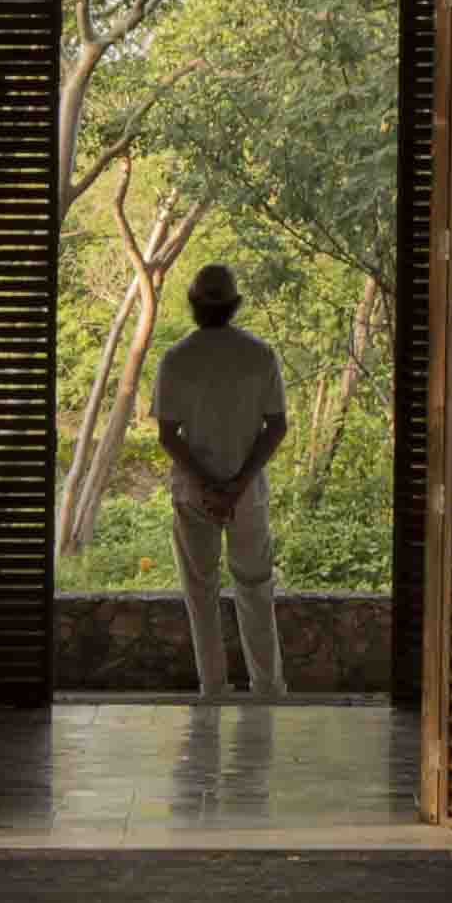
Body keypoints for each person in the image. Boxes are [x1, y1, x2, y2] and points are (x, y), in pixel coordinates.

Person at [150, 260, 295, 701]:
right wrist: (235, 485)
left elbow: (167, 436)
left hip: (194, 495)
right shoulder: (260, 355)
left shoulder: (175, 360)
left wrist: (209, 486)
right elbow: (276, 426)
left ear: (193, 304)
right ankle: (268, 689)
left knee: (201, 590)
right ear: (235, 305)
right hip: (247, 494)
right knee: (254, 587)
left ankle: (213, 688)